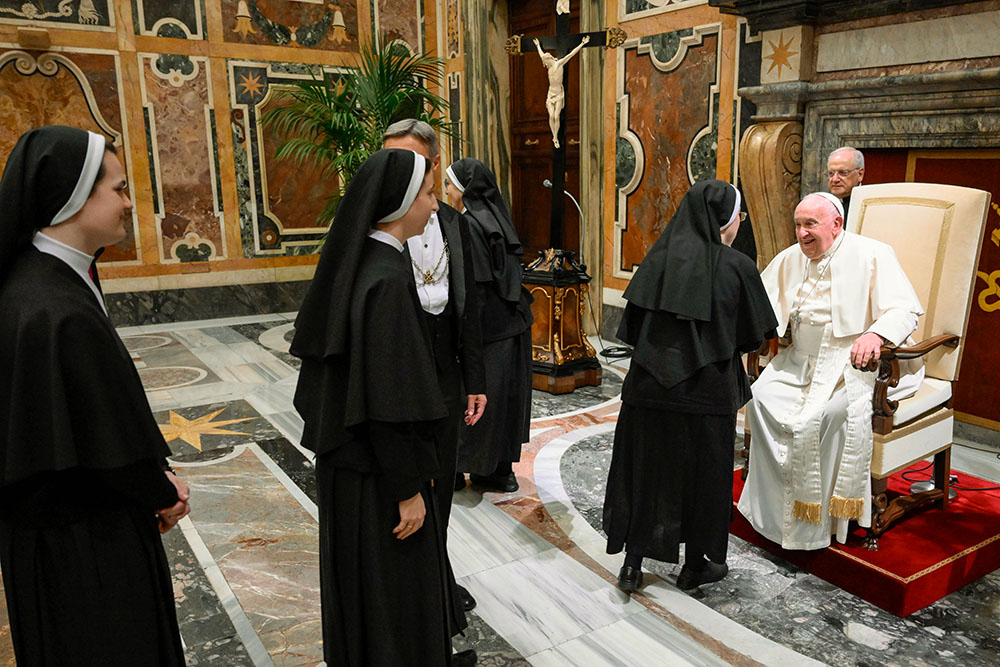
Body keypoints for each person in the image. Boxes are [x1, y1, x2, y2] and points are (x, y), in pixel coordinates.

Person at [0, 125, 190, 665]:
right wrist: (159, 489)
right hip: (84, 552)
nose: (130, 203)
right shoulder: (52, 310)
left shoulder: (48, 282)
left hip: (71, 537)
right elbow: (102, 444)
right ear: (72, 198)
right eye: (120, 189)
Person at [291, 148, 474, 666]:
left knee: (365, 594)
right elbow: (388, 405)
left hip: (350, 468)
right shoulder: (388, 281)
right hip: (379, 477)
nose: (436, 206)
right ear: (396, 203)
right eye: (427, 194)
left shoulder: (363, 265)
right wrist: (409, 490)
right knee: (395, 596)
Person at [603, 180, 777, 592]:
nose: (738, 225)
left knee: (645, 471)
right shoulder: (737, 266)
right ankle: (695, 566)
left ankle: (632, 565)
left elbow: (629, 328)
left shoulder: (656, 260)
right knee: (704, 477)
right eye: (738, 217)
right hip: (707, 394)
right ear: (725, 220)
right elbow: (754, 337)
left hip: (647, 390)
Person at [738, 192, 925, 551]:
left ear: (836, 224)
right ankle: (770, 514)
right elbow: (761, 301)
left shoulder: (872, 254)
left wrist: (875, 332)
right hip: (798, 360)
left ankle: (815, 523)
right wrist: (768, 330)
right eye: (798, 224)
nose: (802, 233)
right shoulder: (790, 258)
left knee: (826, 415)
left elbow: (904, 309)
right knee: (760, 396)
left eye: (811, 224)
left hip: (853, 363)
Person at [382, 120, 486, 613]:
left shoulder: (456, 223)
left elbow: (473, 305)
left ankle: (438, 576)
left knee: (441, 486)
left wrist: (476, 378)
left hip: (446, 373)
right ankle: (415, 591)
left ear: (434, 165)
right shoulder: (373, 230)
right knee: (406, 487)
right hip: (399, 382)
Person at [445, 158, 532, 493]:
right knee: (502, 404)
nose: (447, 190)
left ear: (465, 189)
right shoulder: (492, 217)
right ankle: (496, 471)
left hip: (487, 332)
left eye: (450, 185)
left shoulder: (468, 224)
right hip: (511, 327)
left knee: (475, 402)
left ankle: (460, 469)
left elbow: (473, 288)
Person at [533, 35, 590, 148]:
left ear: (549, 60)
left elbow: (571, 54)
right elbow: (541, 55)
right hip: (551, 93)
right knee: (551, 116)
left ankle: (555, 137)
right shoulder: (549, 67)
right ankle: (554, 137)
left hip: (559, 94)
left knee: (556, 116)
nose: (545, 64)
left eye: (545, 62)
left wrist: (582, 44)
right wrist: (538, 46)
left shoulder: (558, 64)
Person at [826, 147, 864, 217]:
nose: (835, 179)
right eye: (831, 173)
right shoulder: (822, 204)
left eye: (843, 172)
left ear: (860, 174)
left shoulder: (871, 205)